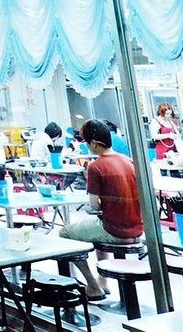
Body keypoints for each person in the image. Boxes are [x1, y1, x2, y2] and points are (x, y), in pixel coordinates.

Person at [60, 119, 144, 299]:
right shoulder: (129, 161)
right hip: (137, 228)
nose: (85, 146)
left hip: (114, 229)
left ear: (95, 143)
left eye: (86, 142)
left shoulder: (96, 166)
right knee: (96, 229)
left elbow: (93, 205)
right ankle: (103, 281)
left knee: (65, 233)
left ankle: (92, 285)